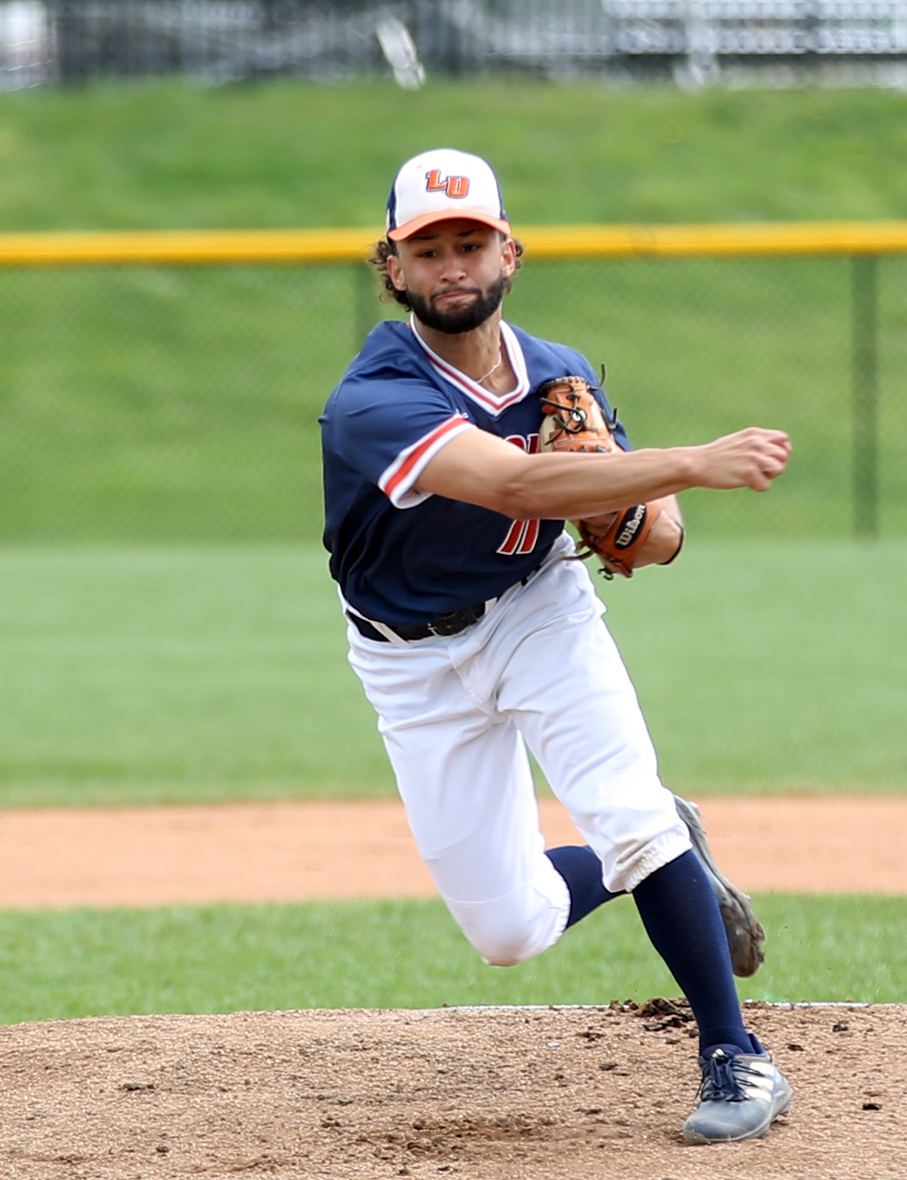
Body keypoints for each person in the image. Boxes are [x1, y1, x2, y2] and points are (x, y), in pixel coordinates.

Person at [318, 148, 794, 1144]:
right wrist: (697, 463)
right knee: (508, 930)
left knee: (623, 811)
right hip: (410, 661)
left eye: (473, 243)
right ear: (392, 268)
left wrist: (636, 506)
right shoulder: (374, 395)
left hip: (539, 612)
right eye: (430, 248)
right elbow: (516, 488)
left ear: (511, 254)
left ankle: (734, 1057)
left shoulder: (560, 375)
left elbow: (657, 540)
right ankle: (674, 847)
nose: (455, 265)